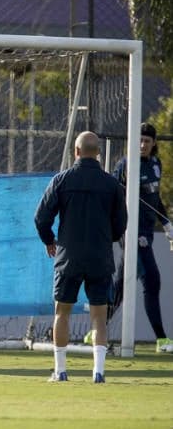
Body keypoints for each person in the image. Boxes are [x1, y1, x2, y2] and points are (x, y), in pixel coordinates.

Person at [35, 131, 127, 383]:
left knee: (62, 312)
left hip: (68, 257)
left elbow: (41, 217)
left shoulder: (62, 180)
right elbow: (121, 224)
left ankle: (61, 371)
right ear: (98, 153)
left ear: (75, 151)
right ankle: (98, 372)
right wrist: (105, 238)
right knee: (99, 316)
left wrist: (49, 240)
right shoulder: (112, 185)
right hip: (100, 257)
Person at [100, 123, 173, 353]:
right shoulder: (125, 165)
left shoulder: (156, 164)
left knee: (121, 286)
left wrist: (167, 223)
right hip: (131, 233)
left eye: (147, 141)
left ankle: (96, 327)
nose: (142, 145)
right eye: (139, 140)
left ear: (153, 144)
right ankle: (162, 340)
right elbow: (110, 192)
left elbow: (155, 198)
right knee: (152, 280)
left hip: (148, 233)